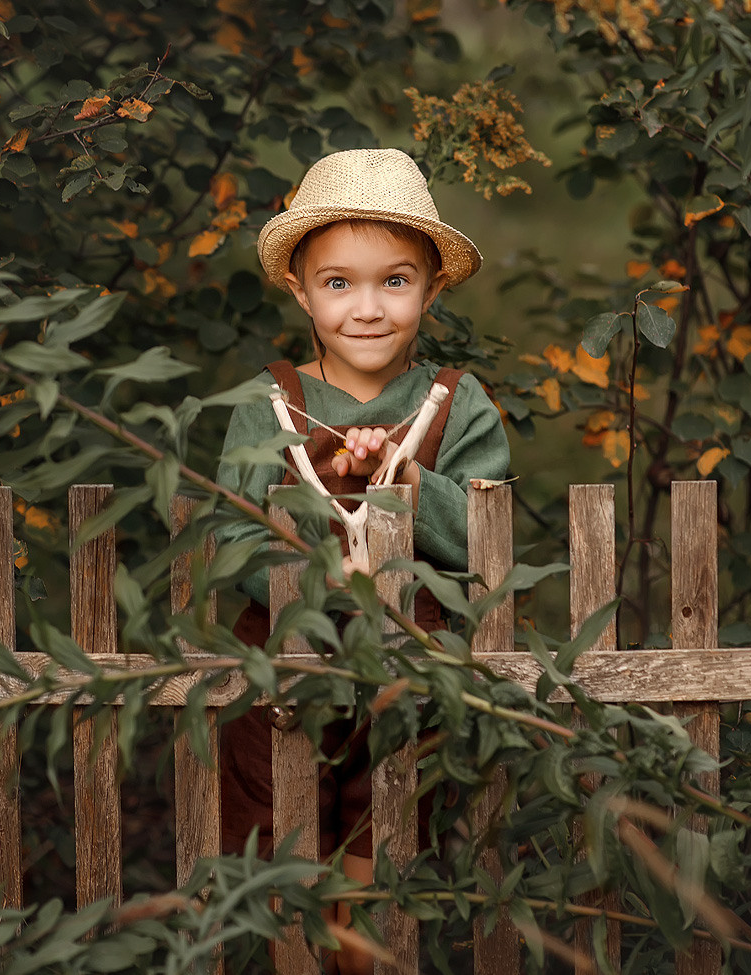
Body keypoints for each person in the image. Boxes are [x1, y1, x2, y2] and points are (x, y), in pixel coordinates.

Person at [214, 147, 510, 973]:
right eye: (339, 282)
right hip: (286, 675)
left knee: (379, 878)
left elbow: (487, 545)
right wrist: (318, 505)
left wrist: (407, 478)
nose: (368, 307)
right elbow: (235, 547)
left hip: (408, 678)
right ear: (299, 288)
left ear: (431, 287)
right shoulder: (266, 402)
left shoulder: (457, 402)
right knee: (285, 882)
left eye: (395, 280)